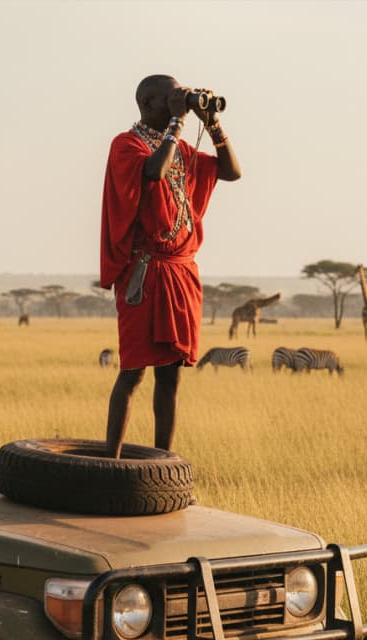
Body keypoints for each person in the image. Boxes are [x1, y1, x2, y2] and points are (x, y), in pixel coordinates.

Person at [100, 74, 241, 458]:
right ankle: (110, 461)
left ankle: (163, 461)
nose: (178, 103)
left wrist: (213, 124)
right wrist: (179, 121)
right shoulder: (127, 144)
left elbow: (231, 171)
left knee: (170, 375)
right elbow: (153, 171)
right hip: (144, 275)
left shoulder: (178, 149)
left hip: (180, 273)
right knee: (133, 371)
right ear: (147, 103)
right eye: (170, 99)